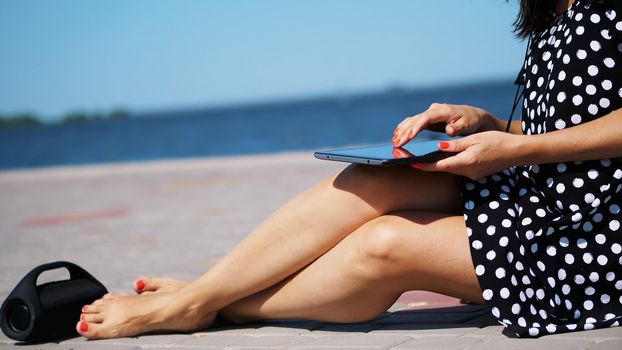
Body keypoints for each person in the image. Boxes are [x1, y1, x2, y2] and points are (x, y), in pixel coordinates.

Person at [75, 0, 621, 339]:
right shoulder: (556, 6)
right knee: (378, 176)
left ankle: (202, 302)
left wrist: (516, 150)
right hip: (543, 197)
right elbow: (576, 126)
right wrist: (496, 126)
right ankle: (206, 295)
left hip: (595, 240)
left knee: (386, 243)